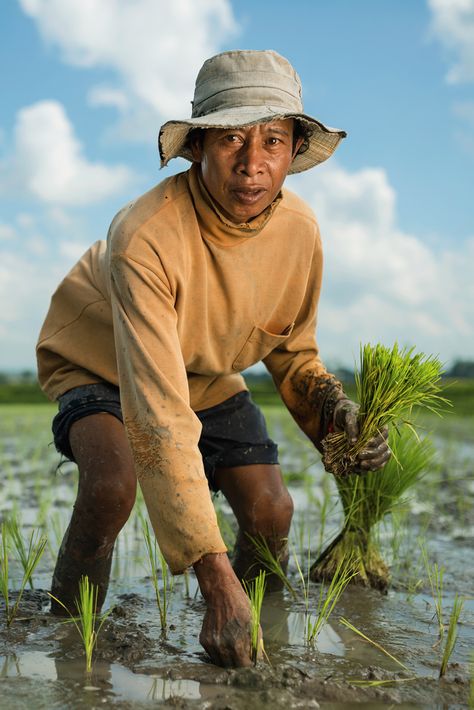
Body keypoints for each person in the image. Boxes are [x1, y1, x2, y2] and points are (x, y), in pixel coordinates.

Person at [36, 49, 390, 667]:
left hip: (202, 368)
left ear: (293, 150)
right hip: (102, 359)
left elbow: (294, 350)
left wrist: (338, 414)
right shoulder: (146, 235)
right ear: (198, 147)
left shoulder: (300, 232)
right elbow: (158, 413)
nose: (253, 165)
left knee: (271, 508)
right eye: (231, 139)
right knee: (115, 482)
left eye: (273, 141)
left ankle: (257, 642)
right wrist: (214, 579)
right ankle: (71, 637)